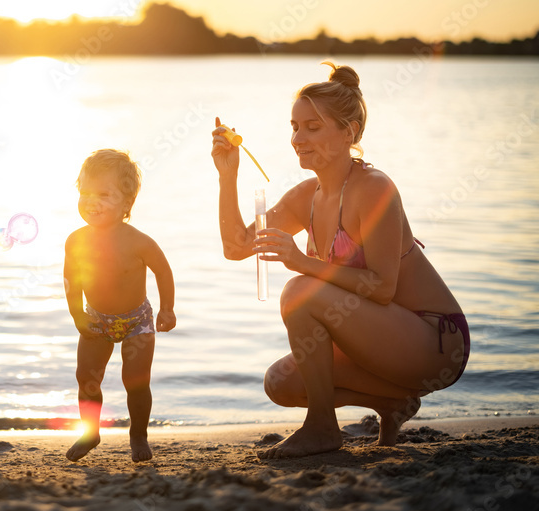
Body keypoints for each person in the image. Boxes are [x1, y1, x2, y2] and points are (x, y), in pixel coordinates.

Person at [212, 61, 469, 459]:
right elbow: (236, 246)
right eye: (294, 126)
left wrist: (303, 262)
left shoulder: (375, 189)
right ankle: (391, 403)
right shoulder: (305, 197)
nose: (298, 138)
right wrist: (228, 176)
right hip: (379, 340)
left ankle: (321, 427)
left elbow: (382, 288)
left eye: (313, 127)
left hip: (433, 340)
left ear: (348, 132)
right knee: (280, 383)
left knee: (299, 290)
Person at [63, 149, 175, 462]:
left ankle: (138, 435)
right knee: (86, 377)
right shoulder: (76, 241)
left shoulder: (138, 241)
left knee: (136, 382)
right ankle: (90, 432)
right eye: (85, 192)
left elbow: (163, 271)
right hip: (96, 319)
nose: (91, 201)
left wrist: (167, 308)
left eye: (103, 194)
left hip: (136, 320)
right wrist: (77, 316)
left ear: (126, 203)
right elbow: (71, 280)